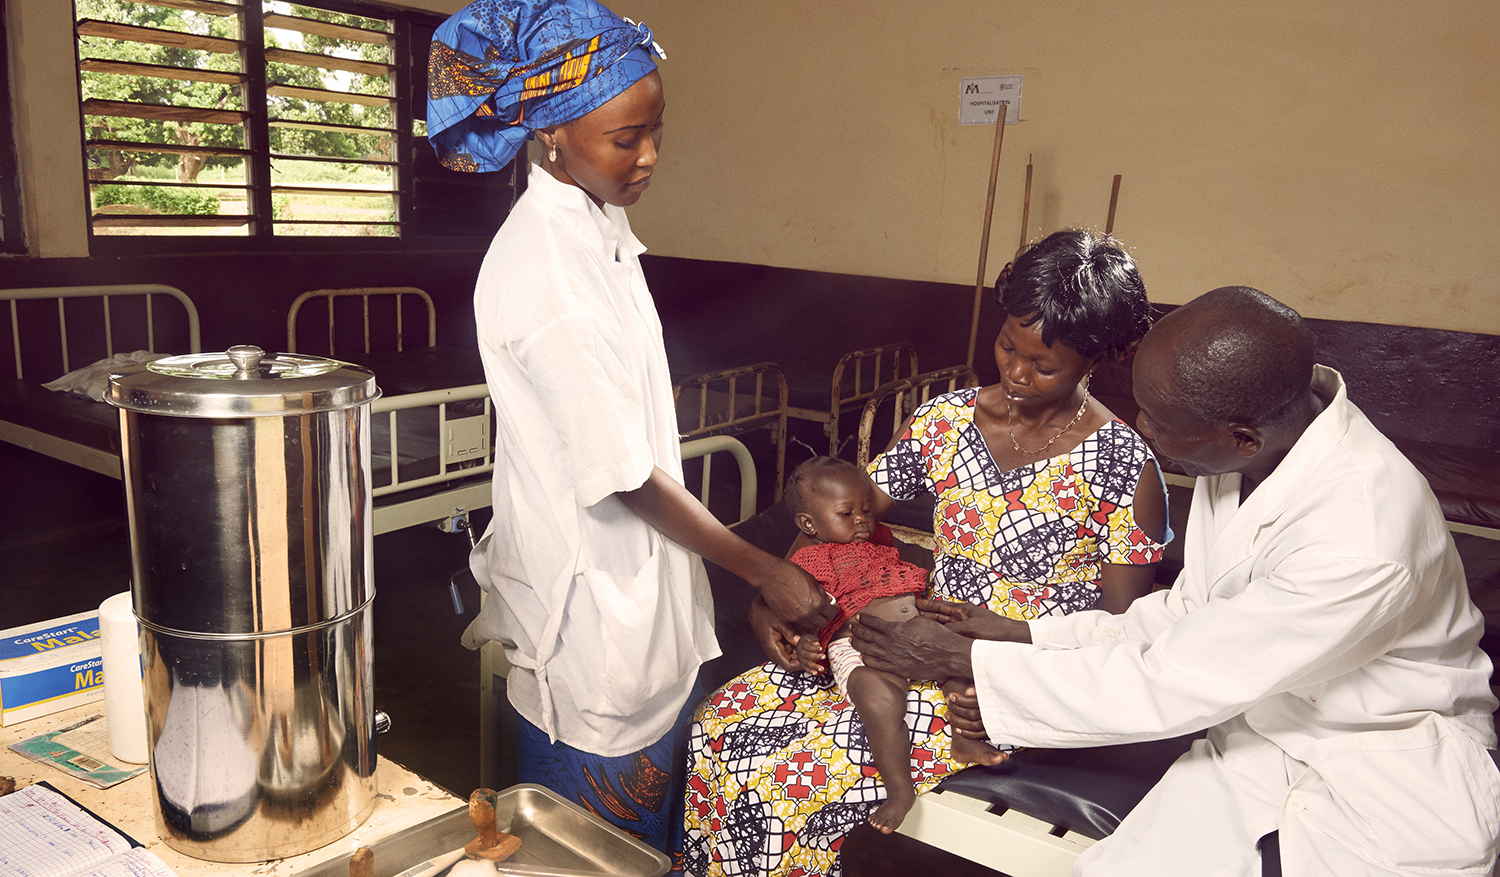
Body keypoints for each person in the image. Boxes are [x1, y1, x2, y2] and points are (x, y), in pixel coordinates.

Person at [851, 286, 1500, 877]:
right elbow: (1188, 616)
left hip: (1385, 766)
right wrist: (1024, 633)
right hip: (1258, 732)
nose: (1141, 429)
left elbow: (1180, 677)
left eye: (1160, 420)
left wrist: (974, 662)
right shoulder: (1247, 453)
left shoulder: (1362, 532)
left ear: (1241, 435)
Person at [427, 0, 833, 854]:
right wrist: (765, 570)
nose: (648, 155)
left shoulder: (598, 230)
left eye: (656, 129)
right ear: (551, 137)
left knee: (647, 846)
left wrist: (726, 593)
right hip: (590, 644)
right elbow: (623, 473)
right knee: (598, 854)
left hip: (641, 619)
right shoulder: (548, 276)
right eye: (625, 138)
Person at [683, 230, 1169, 877]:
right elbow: (843, 516)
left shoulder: (1123, 467)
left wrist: (991, 655)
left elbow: (1123, 634)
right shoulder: (944, 422)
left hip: (1008, 685)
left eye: (1043, 364)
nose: (1016, 374)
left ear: (1094, 359)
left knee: (785, 780)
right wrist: (776, 597)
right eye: (1007, 346)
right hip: (908, 644)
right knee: (721, 724)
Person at [782, 456, 1006, 835]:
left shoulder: (876, 538)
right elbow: (795, 609)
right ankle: (900, 789)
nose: (862, 520)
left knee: (961, 666)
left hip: (917, 630)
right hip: (859, 642)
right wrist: (804, 643)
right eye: (846, 513)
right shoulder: (808, 560)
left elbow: (905, 559)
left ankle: (963, 740)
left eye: (866, 509)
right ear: (809, 525)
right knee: (879, 700)